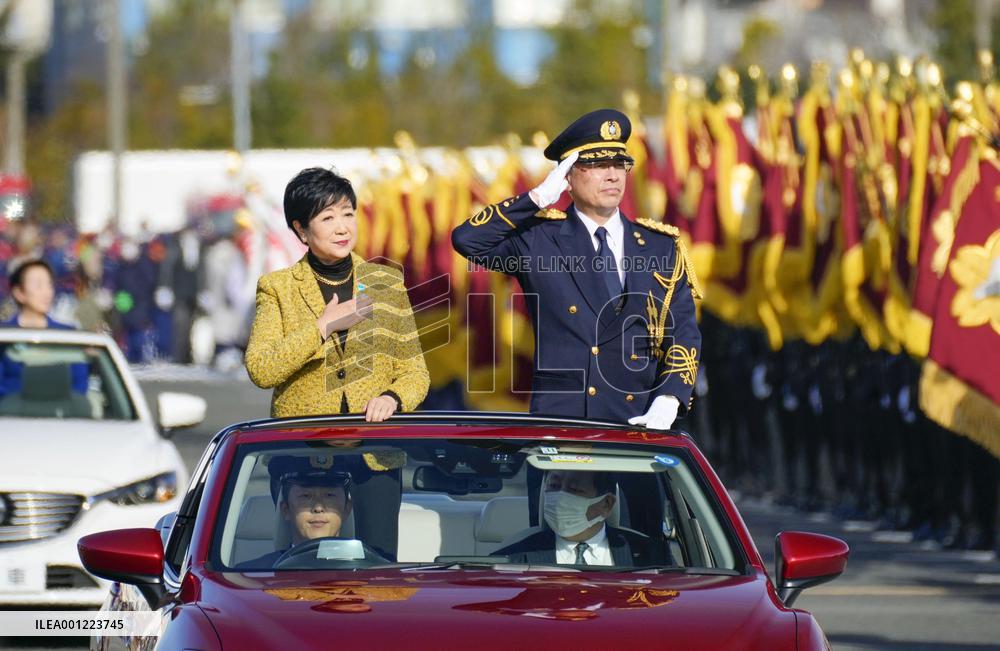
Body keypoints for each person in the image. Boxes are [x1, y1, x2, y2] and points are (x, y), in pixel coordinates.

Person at [452, 109, 702, 524]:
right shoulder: (539, 238)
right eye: (597, 164)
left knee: (645, 564)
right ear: (568, 175)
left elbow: (684, 331)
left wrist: (671, 394)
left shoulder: (660, 245)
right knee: (559, 565)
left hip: (638, 424)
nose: (613, 175)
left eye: (620, 164)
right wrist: (536, 199)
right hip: (562, 429)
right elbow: (467, 240)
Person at [244, 167, 430, 560]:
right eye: (327, 218)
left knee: (379, 566)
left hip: (374, 451)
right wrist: (322, 327)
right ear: (301, 230)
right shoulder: (277, 288)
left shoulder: (385, 283)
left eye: (348, 214)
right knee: (298, 566)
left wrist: (393, 397)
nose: (342, 227)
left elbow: (415, 371)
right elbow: (261, 368)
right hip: (301, 450)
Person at [492, 470, 663, 567]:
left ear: (606, 504)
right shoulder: (513, 559)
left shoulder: (652, 557)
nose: (560, 497)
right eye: (554, 486)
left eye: (574, 489)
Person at [237, 456, 354, 568]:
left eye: (329, 495)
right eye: (306, 496)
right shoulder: (253, 577)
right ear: (286, 509)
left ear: (347, 508)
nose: (318, 507)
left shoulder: (369, 574)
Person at [1, 259, 74, 330]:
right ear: (19, 293)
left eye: (49, 285)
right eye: (38, 285)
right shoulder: (5, 332)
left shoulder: (65, 333)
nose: (47, 292)